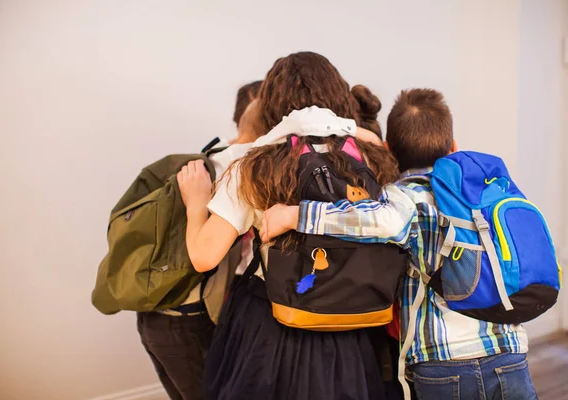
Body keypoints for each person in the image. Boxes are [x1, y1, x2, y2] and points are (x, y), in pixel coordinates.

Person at [261, 89, 537, 400]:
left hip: (445, 361)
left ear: (389, 151)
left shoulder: (404, 197)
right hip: (510, 349)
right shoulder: (480, 190)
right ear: (453, 147)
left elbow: (377, 221)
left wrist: (295, 214)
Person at [176, 51, 398, 400]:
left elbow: (204, 257)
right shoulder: (372, 157)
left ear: (272, 106)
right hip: (353, 319)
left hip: (273, 324)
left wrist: (195, 203)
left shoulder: (255, 165)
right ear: (339, 98)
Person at [137, 80, 262, 400]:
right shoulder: (243, 170)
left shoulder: (207, 159)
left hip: (155, 313)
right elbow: (205, 256)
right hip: (187, 320)